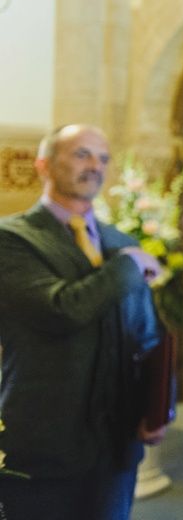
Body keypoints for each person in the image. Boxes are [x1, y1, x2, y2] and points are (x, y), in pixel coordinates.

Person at [0, 124, 167, 520]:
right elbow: (61, 310)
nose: (95, 166)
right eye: (81, 154)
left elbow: (145, 333)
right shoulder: (12, 238)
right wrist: (128, 264)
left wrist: (157, 407)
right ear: (43, 165)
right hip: (45, 444)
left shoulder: (119, 239)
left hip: (116, 444)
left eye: (103, 157)